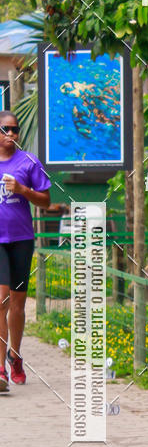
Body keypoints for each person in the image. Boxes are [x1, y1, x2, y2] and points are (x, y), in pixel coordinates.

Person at [0, 110, 51, 391]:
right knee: (2, 299)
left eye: (15, 130)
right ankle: (0, 370)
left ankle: (15, 356)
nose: (12, 135)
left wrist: (22, 189)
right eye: (6, 129)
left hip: (21, 239)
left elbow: (45, 201)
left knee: (17, 305)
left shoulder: (29, 162)